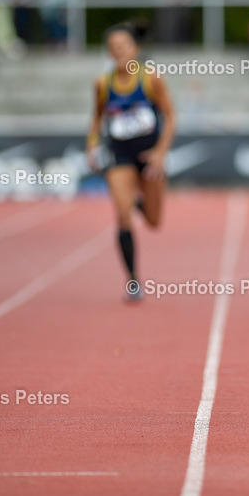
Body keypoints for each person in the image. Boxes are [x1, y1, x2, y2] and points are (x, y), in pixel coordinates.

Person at [87, 22, 175, 301]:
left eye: (123, 47)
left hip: (149, 156)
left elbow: (171, 118)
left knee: (153, 220)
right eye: (113, 48)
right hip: (120, 154)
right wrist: (91, 146)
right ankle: (133, 280)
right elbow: (97, 118)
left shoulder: (151, 79)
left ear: (136, 49)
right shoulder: (103, 83)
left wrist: (160, 153)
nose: (118, 52)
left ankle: (139, 202)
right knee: (122, 216)